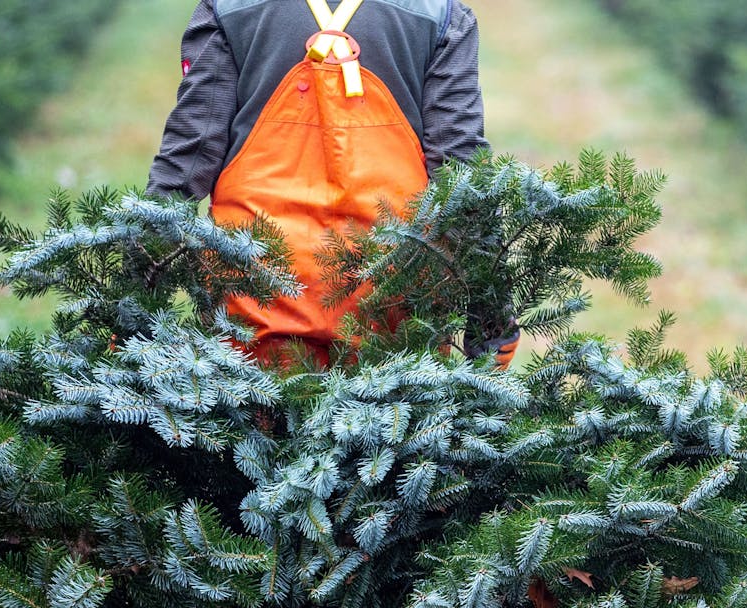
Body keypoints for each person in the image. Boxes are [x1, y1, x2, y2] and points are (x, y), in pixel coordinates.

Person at [147, 0, 508, 368]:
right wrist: (492, 313)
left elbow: (187, 158)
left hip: (254, 297)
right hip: (394, 307)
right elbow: (461, 168)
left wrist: (133, 295)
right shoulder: (439, 13)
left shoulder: (229, 7)